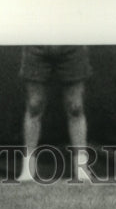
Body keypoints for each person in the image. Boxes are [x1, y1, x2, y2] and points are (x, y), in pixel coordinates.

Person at [17, 46, 93, 183]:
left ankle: (82, 168)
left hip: (71, 43)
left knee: (75, 106)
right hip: (37, 43)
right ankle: (28, 170)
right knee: (34, 105)